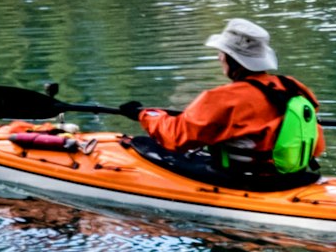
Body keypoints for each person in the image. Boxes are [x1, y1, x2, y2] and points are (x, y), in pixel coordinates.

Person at [133, 18, 322, 189]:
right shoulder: (292, 87)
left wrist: (145, 115)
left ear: (232, 60)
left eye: (221, 53)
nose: (219, 57)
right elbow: (317, 144)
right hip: (294, 177)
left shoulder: (224, 98)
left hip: (245, 180)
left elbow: (175, 137)